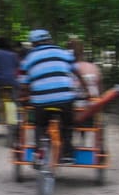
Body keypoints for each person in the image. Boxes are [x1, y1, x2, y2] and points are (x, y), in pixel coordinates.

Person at [20, 29, 84, 163]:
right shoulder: (63, 53)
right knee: (67, 124)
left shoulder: (29, 58)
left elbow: (24, 84)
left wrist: (24, 97)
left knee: (40, 125)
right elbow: (77, 72)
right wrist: (87, 91)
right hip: (64, 98)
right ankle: (67, 153)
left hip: (40, 100)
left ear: (33, 43)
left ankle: (39, 153)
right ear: (50, 40)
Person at [0, 36, 20, 107]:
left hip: (0, 80)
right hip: (12, 80)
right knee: (17, 87)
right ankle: (15, 102)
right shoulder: (14, 54)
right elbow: (17, 66)